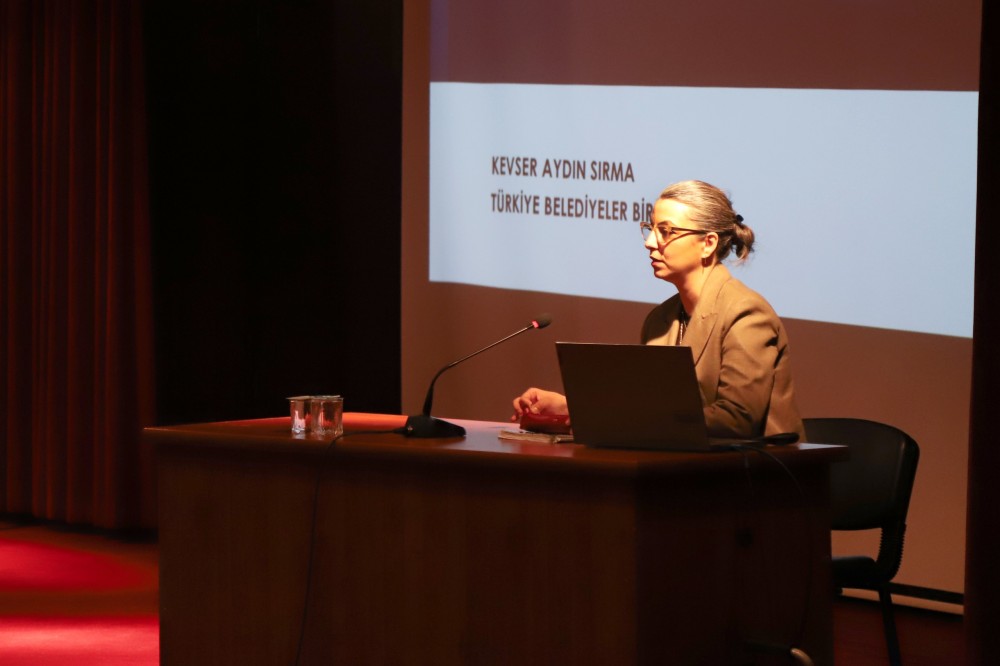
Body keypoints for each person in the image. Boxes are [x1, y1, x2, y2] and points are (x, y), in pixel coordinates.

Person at [512, 179, 805, 441]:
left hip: (755, 477)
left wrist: (615, 418)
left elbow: (737, 419)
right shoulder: (660, 320)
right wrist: (570, 407)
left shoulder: (746, 313)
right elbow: (650, 409)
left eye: (666, 231)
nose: (650, 243)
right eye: (651, 229)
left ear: (708, 244)